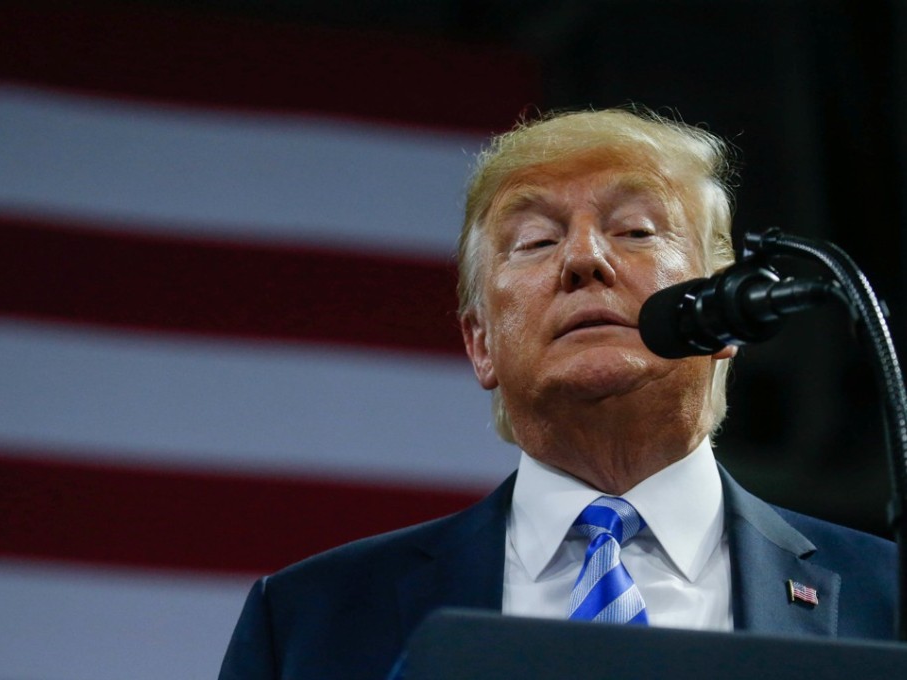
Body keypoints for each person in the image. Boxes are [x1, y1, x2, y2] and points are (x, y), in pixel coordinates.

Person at [218, 108, 897, 680]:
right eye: (535, 240)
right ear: (480, 344)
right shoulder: (309, 622)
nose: (583, 260)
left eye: (635, 230)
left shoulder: (887, 598)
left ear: (722, 318)